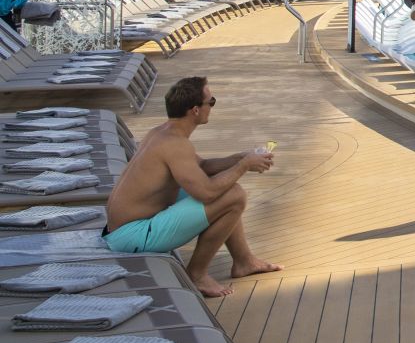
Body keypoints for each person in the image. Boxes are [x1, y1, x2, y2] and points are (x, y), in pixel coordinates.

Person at [102, 76, 281, 298]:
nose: (212, 106)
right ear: (195, 110)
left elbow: (202, 166)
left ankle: (244, 261)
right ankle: (197, 275)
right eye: (211, 101)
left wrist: (240, 157)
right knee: (233, 195)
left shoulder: (162, 133)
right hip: (132, 236)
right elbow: (206, 193)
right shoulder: (175, 144)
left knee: (225, 188)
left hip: (120, 229)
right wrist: (244, 166)